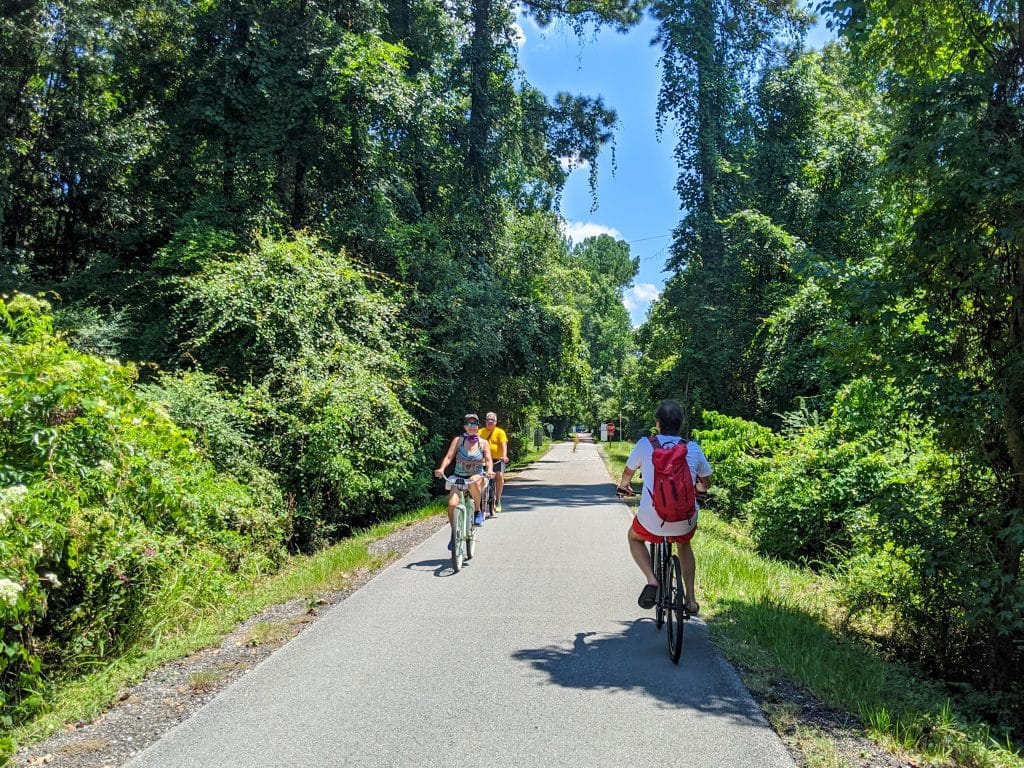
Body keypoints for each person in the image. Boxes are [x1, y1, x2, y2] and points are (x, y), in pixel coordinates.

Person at [616, 399, 711, 615]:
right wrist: (700, 491)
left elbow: (627, 475)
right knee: (684, 545)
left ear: (658, 423)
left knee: (634, 537)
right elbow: (705, 482)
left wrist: (624, 487)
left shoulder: (645, 444)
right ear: (681, 424)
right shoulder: (692, 448)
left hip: (653, 519)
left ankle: (652, 580)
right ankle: (691, 600)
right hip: (684, 519)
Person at [434, 414, 494, 536]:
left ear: (478, 426)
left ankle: (477, 510)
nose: (472, 426)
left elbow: (488, 460)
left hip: (477, 475)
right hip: (459, 477)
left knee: (473, 480)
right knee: (452, 504)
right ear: (465, 426)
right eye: (469, 424)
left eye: (474, 424)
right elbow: (449, 456)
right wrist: (441, 469)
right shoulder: (458, 441)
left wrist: (490, 470)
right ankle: (454, 533)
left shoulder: (483, 443)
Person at [478, 412, 509, 514]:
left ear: (496, 422)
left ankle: (498, 500)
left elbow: (504, 445)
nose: (490, 422)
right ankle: (478, 500)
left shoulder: (500, 432)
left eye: (492, 420)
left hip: (497, 459)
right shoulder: (480, 432)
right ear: (485, 421)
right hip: (483, 460)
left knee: (499, 475)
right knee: (479, 477)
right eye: (488, 420)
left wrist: (504, 456)